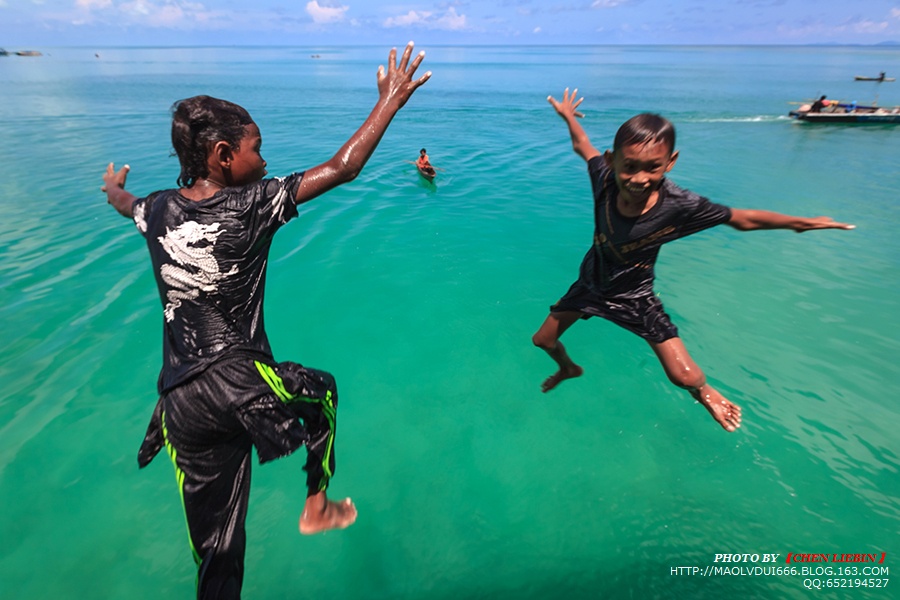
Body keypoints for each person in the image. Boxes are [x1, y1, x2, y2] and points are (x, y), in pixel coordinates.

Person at [101, 43, 430, 599]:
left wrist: (112, 187)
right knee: (322, 392)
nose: (266, 159)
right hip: (238, 382)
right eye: (259, 149)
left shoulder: (156, 209)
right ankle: (317, 505)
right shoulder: (253, 203)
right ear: (224, 155)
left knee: (219, 558)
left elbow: (124, 202)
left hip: (181, 405)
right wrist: (389, 102)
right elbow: (343, 168)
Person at [532, 88, 854, 433]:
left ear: (670, 163)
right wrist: (568, 116)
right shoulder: (605, 180)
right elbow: (584, 146)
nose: (639, 178)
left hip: (634, 297)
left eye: (652, 168)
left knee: (682, 375)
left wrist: (800, 224)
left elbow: (743, 219)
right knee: (543, 340)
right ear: (613, 162)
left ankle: (704, 392)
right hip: (591, 285)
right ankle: (569, 368)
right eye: (629, 167)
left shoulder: (680, 206)